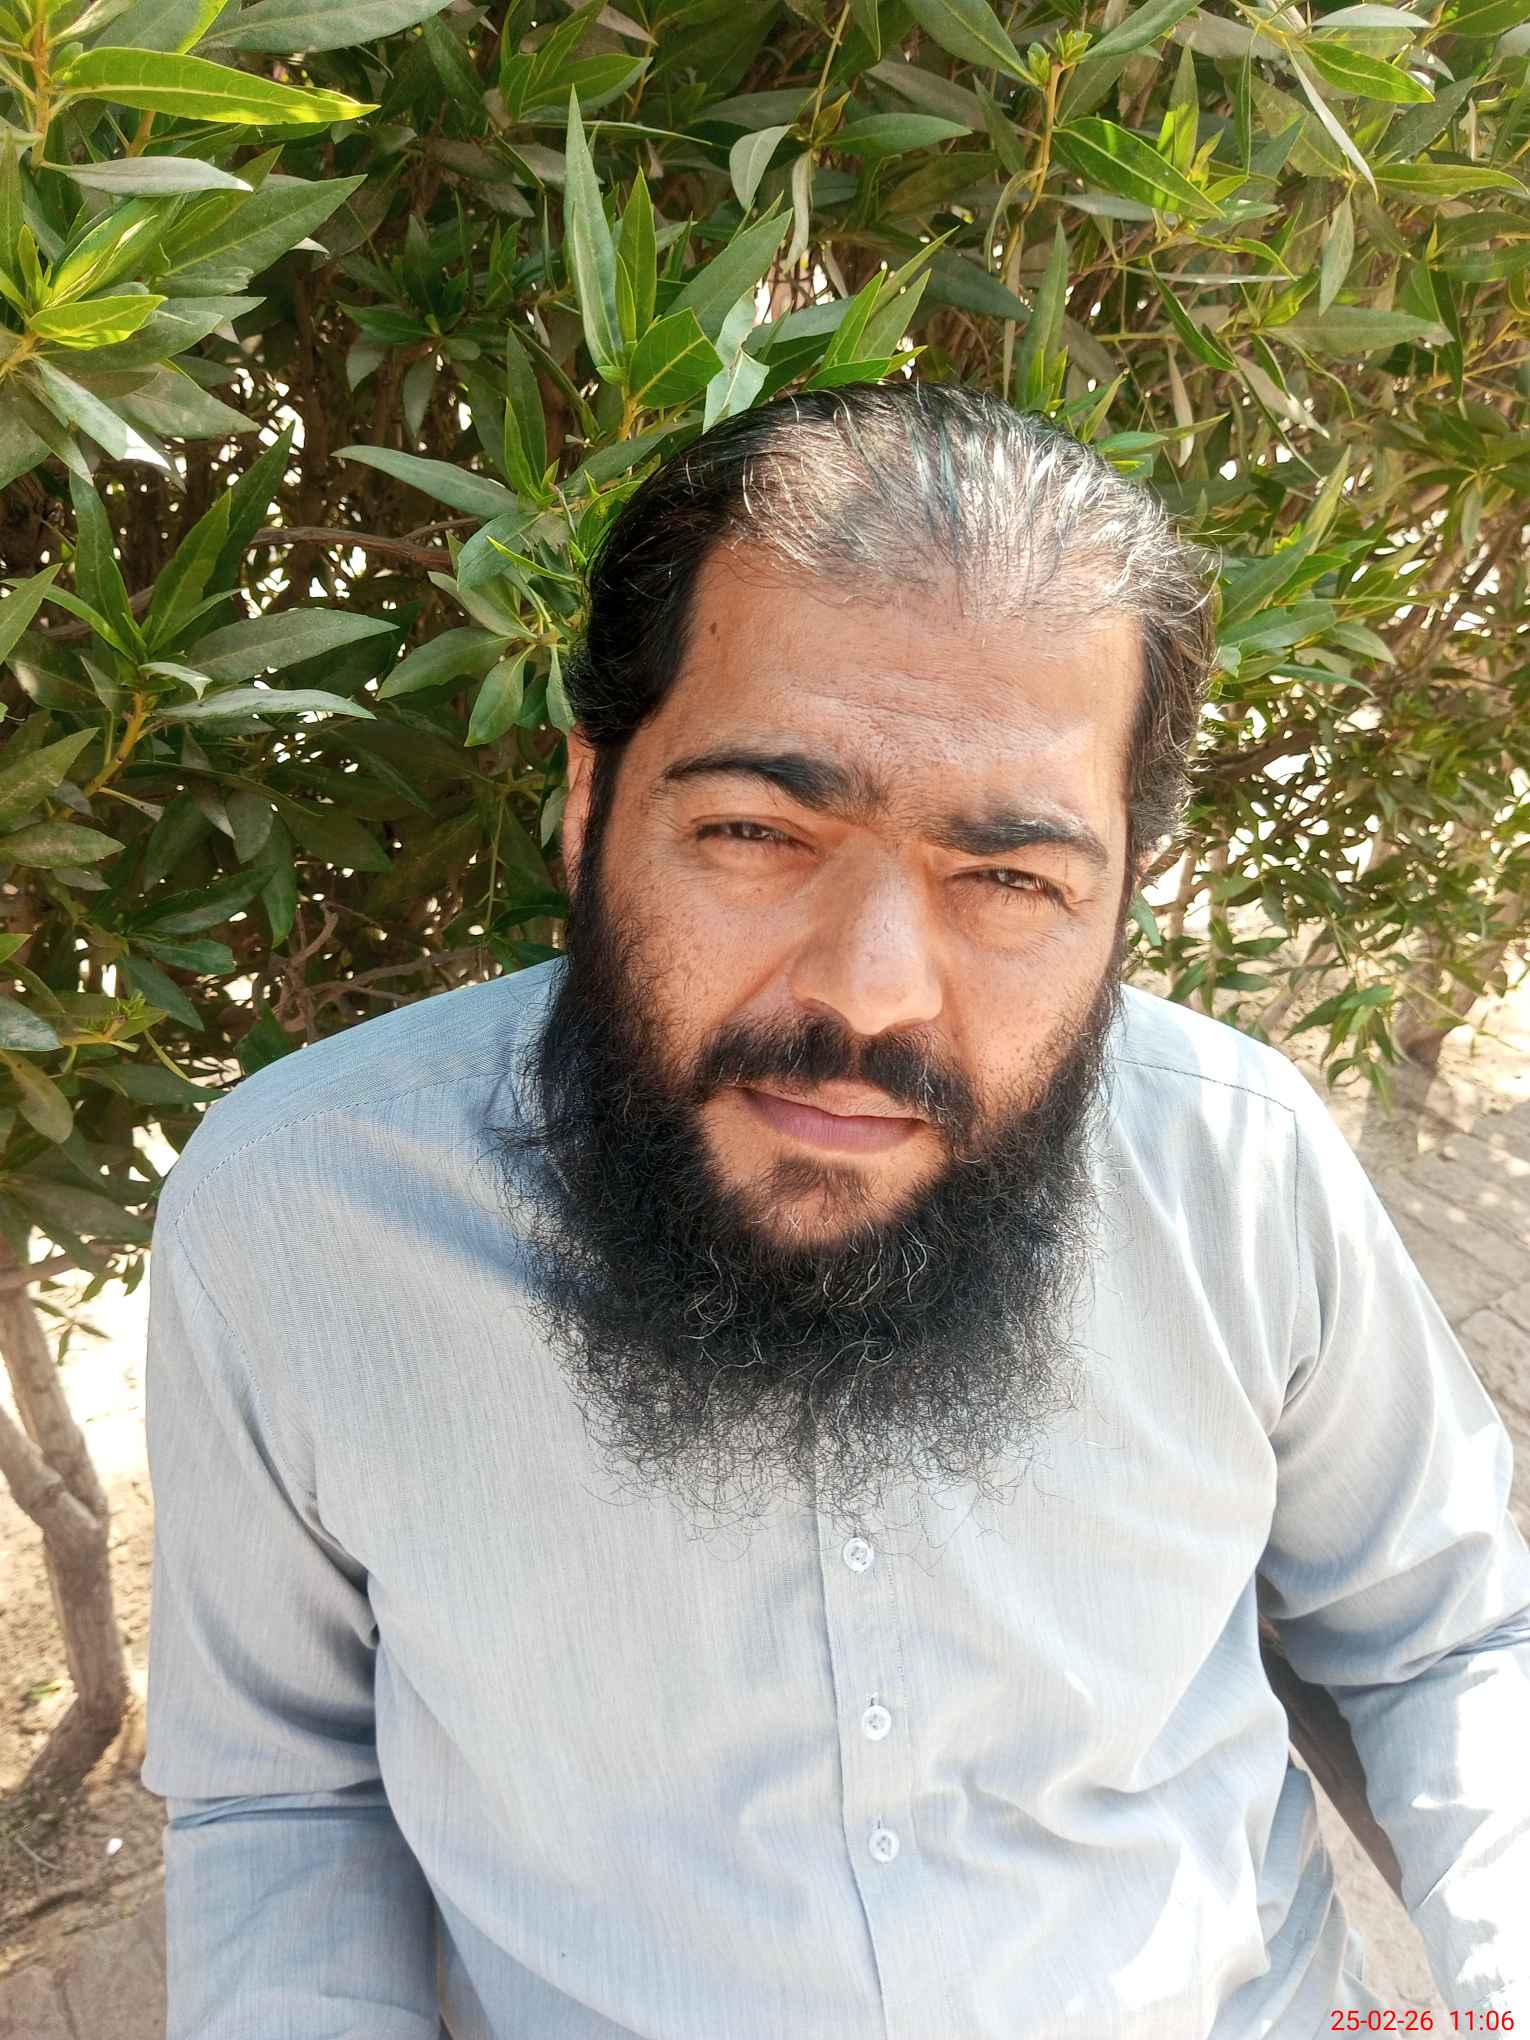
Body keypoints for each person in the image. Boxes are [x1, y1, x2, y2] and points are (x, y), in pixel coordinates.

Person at [140, 380, 1530, 2039]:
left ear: (1122, 898)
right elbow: (282, 1796)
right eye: (755, 831)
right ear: (591, 805)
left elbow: (1445, 1636)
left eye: (1006, 878)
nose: (871, 993)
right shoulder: (298, 1219)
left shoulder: (1236, 1165)